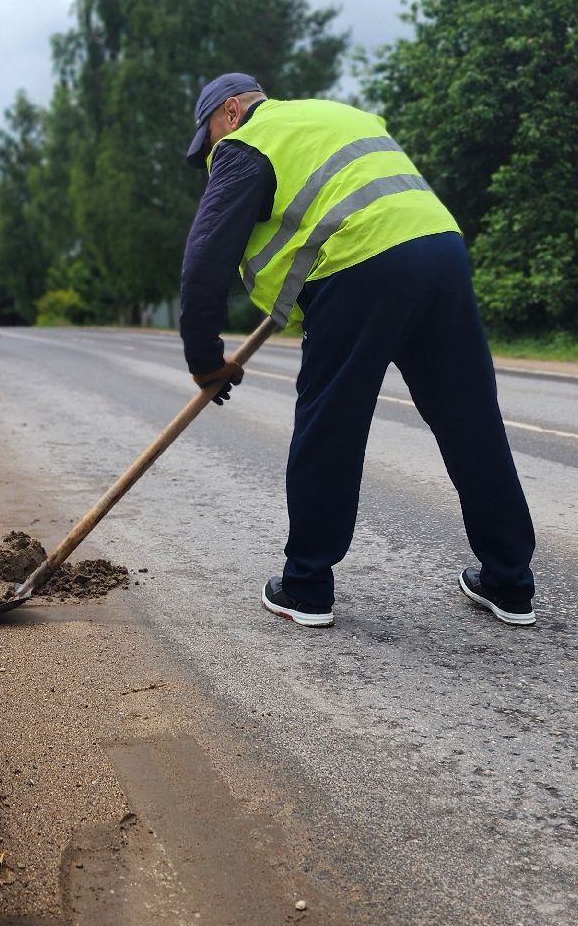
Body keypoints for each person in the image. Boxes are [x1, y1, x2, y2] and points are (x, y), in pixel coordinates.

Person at [179, 72, 537, 629]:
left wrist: (205, 361)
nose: (210, 154)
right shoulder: (335, 116)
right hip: (440, 251)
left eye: (208, 139)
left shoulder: (248, 141)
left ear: (229, 111)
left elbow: (204, 263)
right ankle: (510, 583)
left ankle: (305, 587)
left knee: (330, 426)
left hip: (360, 264)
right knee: (470, 419)